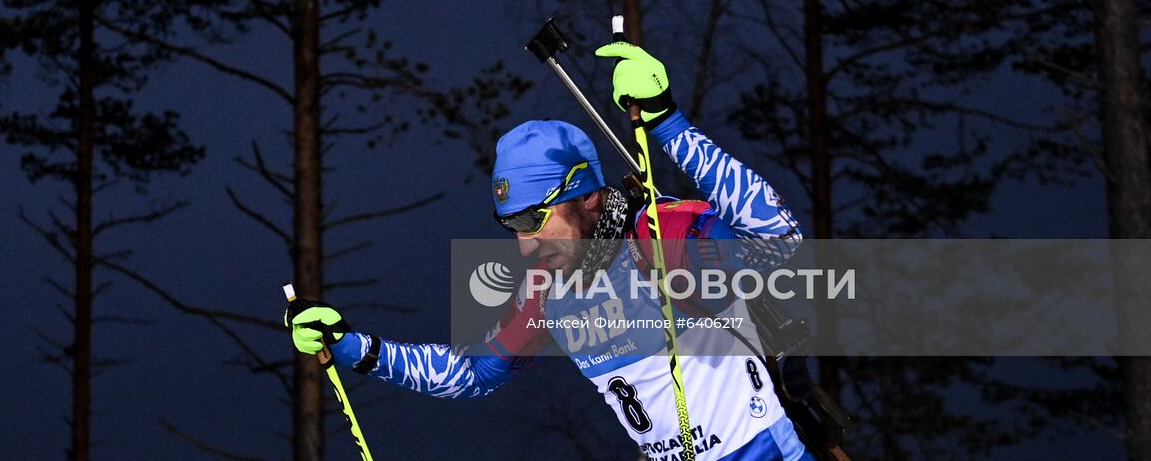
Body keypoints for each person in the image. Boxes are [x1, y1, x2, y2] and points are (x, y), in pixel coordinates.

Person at [285, 41, 812, 461]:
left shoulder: (663, 236)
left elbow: (780, 243)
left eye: (534, 220)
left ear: (586, 195)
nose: (524, 244)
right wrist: (354, 347)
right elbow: (474, 372)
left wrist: (666, 121)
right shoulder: (548, 290)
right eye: (511, 225)